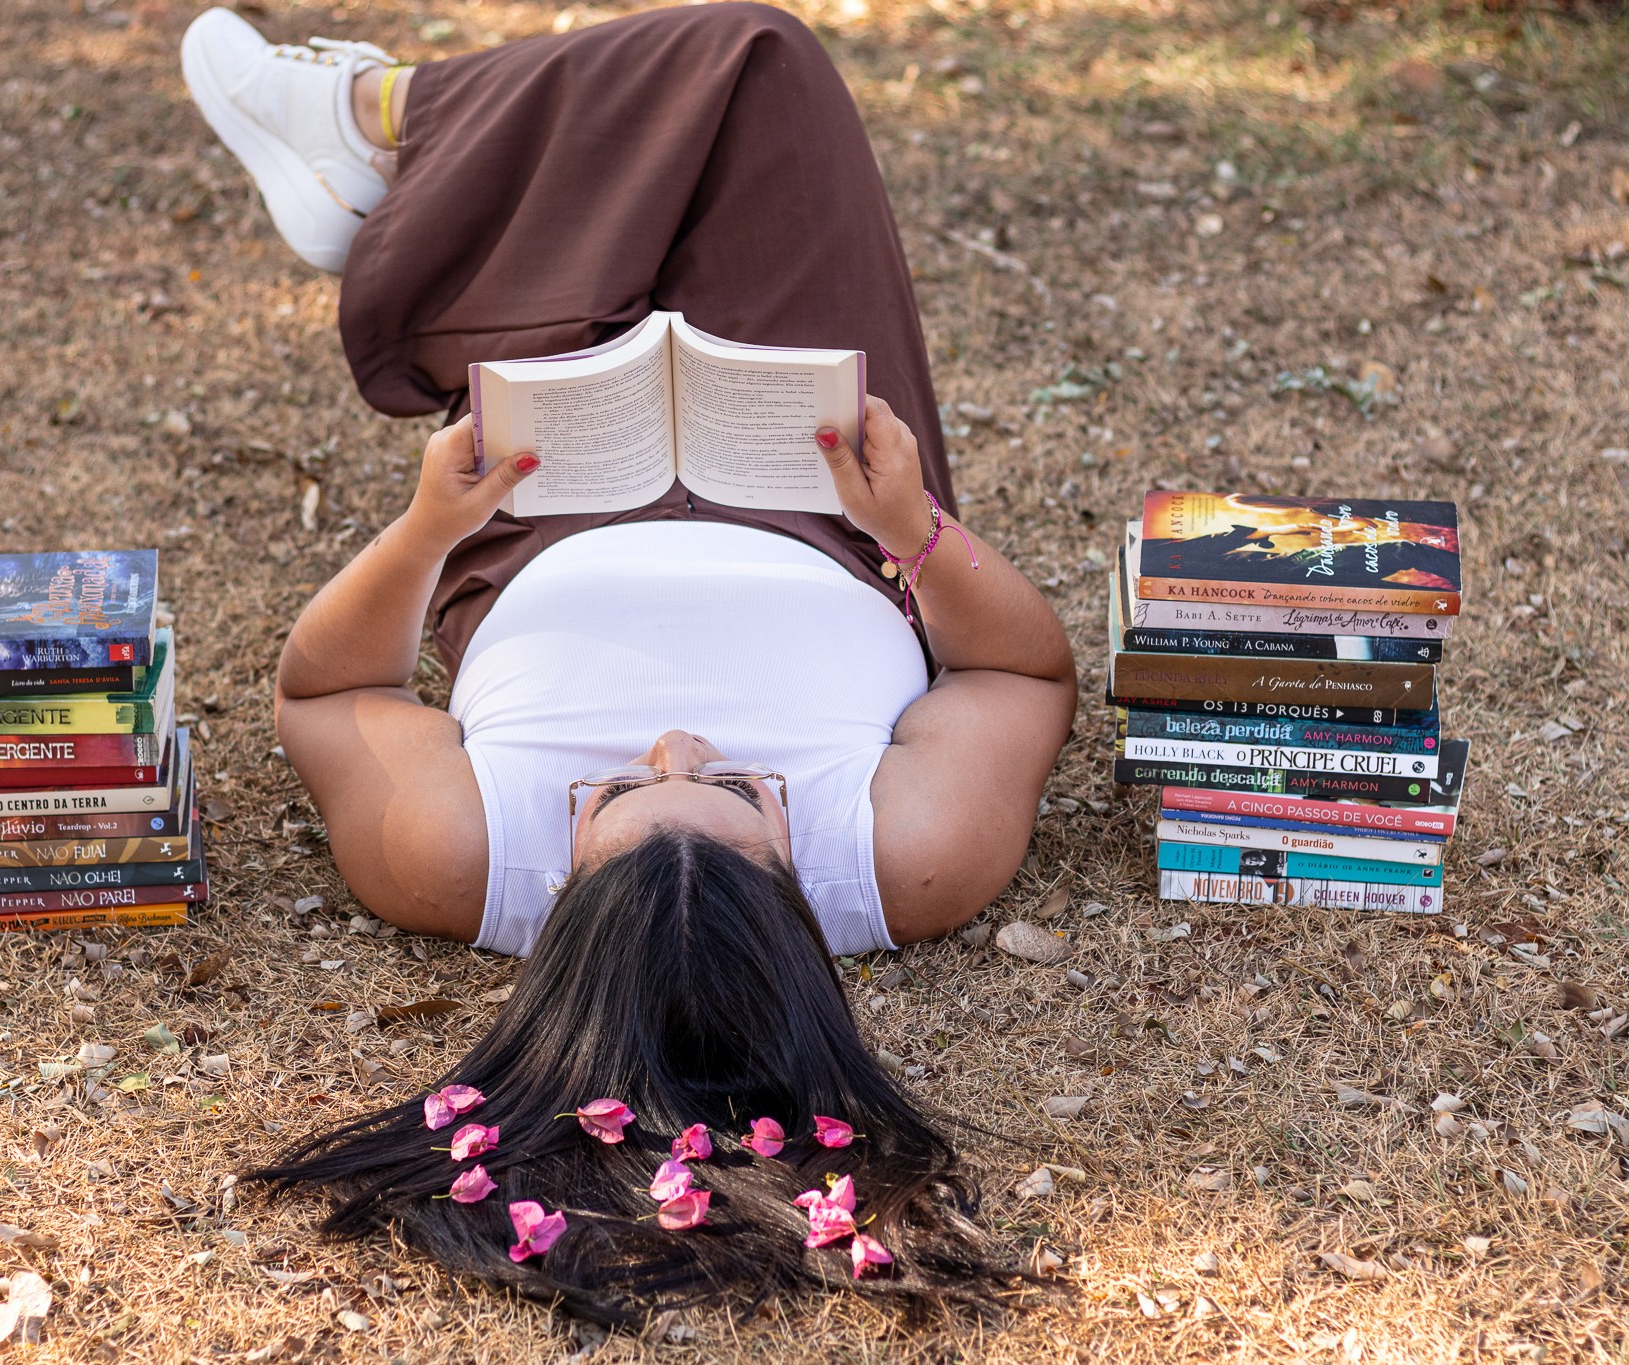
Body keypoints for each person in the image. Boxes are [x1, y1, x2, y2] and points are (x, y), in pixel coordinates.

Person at [182, 2, 1077, 1323]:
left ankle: (385, 146)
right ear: (791, 854)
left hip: (545, 508)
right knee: (758, 79)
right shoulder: (914, 856)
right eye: (733, 783)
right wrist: (912, 527)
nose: (672, 745)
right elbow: (1027, 678)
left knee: (650, 162)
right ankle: (384, 155)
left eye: (611, 793)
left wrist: (434, 523)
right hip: (824, 508)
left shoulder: (454, 856)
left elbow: (331, 691)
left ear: (565, 902)